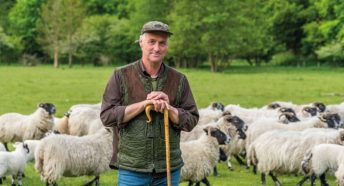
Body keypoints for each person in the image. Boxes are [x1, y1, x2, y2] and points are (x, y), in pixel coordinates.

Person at [100, 21, 199, 186]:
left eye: (162, 43)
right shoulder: (120, 75)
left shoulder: (179, 79)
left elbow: (191, 120)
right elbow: (107, 116)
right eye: (151, 42)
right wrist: (145, 105)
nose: (157, 48)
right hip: (132, 169)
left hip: (168, 169)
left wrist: (170, 109)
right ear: (141, 43)